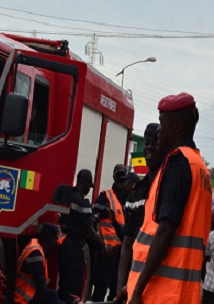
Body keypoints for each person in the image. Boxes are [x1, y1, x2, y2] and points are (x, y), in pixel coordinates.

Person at [124, 93, 212, 304]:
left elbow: (164, 232)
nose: (159, 130)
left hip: (160, 293)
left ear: (177, 126)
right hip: (182, 292)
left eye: (163, 123)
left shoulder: (177, 163)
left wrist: (137, 290)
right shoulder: (200, 169)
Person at [114, 123, 161, 297]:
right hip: (134, 287)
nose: (149, 147)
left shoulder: (167, 188)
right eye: (147, 143)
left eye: (155, 143)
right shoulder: (137, 192)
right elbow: (127, 245)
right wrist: (120, 289)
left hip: (158, 286)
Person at [57, 169, 111, 304]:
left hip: (62, 243)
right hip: (74, 248)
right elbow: (90, 232)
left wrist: (92, 218)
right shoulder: (83, 202)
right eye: (89, 185)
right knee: (73, 287)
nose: (88, 189)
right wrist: (104, 246)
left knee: (63, 285)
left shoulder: (67, 195)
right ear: (85, 182)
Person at [90, 164, 130, 301]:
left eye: (124, 177)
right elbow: (92, 223)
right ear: (113, 177)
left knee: (115, 292)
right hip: (107, 253)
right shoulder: (105, 197)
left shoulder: (129, 199)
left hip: (121, 254)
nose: (121, 180)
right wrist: (101, 246)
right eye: (119, 176)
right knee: (100, 290)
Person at [15, 223, 64, 304]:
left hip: (27, 298)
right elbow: (41, 284)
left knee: (51, 295)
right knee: (51, 296)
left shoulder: (36, 247)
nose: (55, 242)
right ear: (49, 238)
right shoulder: (35, 253)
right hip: (23, 300)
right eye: (55, 238)